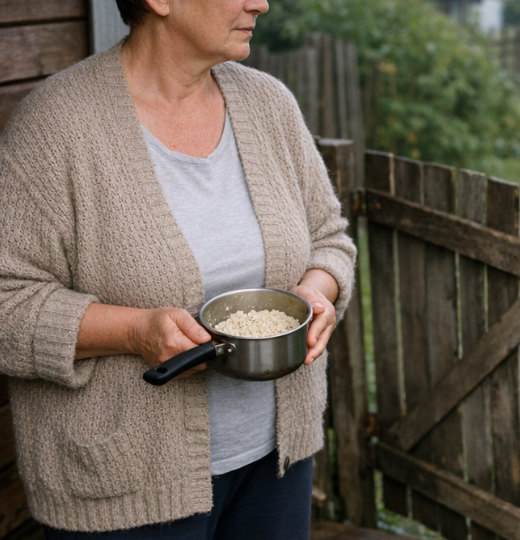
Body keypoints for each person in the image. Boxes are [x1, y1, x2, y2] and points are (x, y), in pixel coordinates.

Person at [0, 0, 356, 537]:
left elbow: (330, 239)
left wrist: (317, 290)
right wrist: (135, 332)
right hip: (125, 487)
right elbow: (7, 305)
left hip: (275, 465)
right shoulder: (56, 128)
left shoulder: (269, 104)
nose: (260, 2)